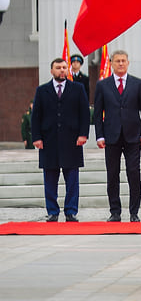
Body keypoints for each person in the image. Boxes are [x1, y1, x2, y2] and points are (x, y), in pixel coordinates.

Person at [92, 50, 141, 222]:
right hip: (111, 136)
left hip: (133, 136)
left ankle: (134, 212)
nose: (121, 63)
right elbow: (97, 113)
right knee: (112, 175)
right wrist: (99, 136)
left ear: (128, 62)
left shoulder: (138, 84)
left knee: (133, 173)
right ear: (111, 63)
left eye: (123, 60)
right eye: (117, 61)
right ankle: (115, 212)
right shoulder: (103, 85)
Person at [31, 58, 90, 222]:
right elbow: (36, 116)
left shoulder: (77, 89)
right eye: (58, 68)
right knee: (50, 179)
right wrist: (36, 138)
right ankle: (52, 211)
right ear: (52, 71)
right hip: (48, 141)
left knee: (72, 179)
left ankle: (71, 211)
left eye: (64, 67)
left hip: (72, 141)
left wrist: (83, 134)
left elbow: (84, 113)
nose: (62, 70)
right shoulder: (42, 91)